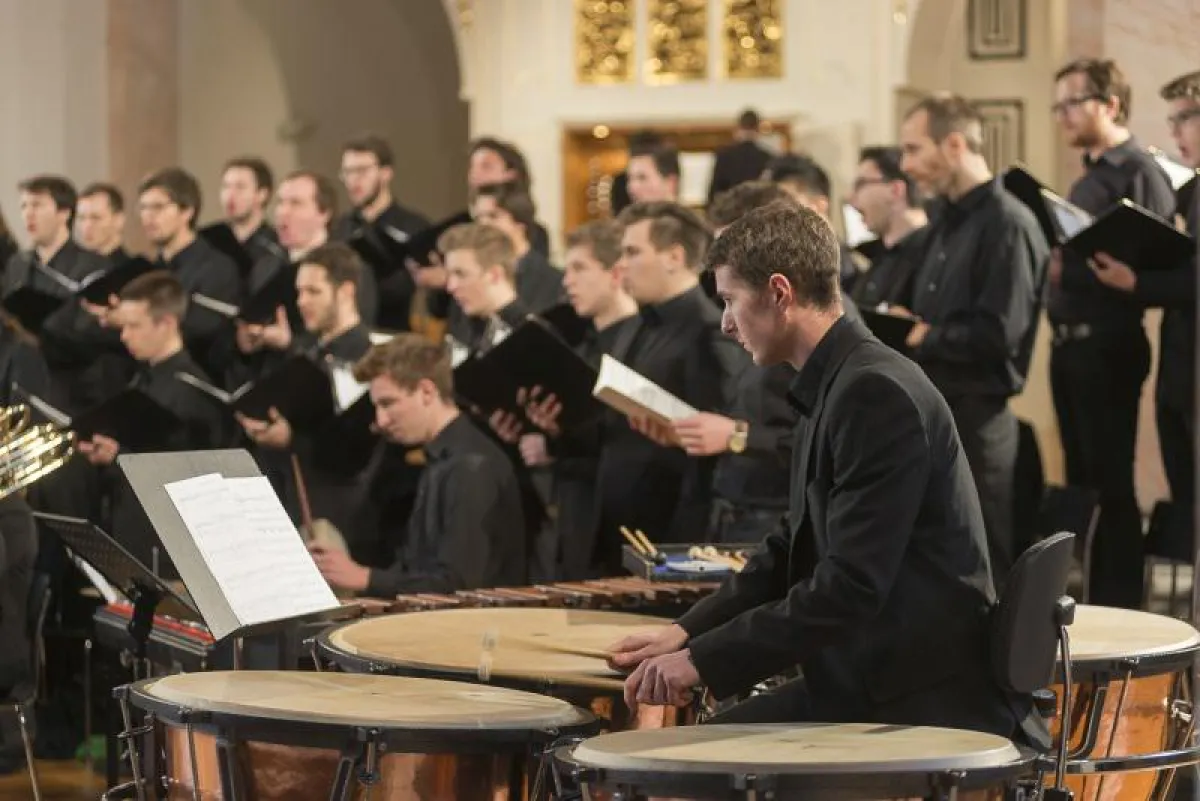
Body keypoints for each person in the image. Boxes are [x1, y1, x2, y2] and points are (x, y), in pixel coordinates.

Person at [609, 202, 1023, 741]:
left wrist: (703, 663)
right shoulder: (836, 381)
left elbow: (850, 586)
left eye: (731, 300)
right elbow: (791, 546)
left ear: (780, 292)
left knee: (673, 766)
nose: (727, 324)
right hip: (874, 674)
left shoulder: (874, 393)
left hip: (913, 693)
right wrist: (686, 632)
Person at [898, 93, 1047, 583]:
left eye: (915, 149)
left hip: (979, 420)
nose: (906, 165)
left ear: (955, 144)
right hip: (936, 409)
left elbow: (1001, 335)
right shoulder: (944, 220)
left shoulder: (1009, 223)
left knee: (980, 563)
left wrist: (925, 335)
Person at [1047, 59, 1175, 608]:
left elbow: (1162, 257)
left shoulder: (1138, 170)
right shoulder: (1089, 174)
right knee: (1083, 483)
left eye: (1070, 103)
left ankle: (1120, 606)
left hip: (1108, 343)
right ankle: (1089, 601)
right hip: (1070, 343)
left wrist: (1109, 272)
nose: (1062, 116)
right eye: (1057, 106)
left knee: (1110, 481)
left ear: (1110, 105)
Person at [310, 334, 526, 595]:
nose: (381, 420)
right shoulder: (443, 460)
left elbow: (458, 584)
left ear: (426, 391)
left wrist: (365, 578)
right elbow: (417, 569)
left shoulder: (471, 467)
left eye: (388, 404)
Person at [1090, 68, 1200, 557]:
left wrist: (1139, 283)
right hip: (1180, 367)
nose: (1174, 133)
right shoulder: (1192, 190)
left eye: (1183, 120)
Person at [707, 108, 773, 204]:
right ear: (758, 129)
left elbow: (714, 190)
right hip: (757, 210)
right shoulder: (766, 157)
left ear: (738, 128)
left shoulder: (724, 155)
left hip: (730, 210)